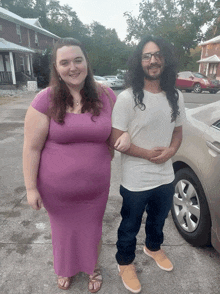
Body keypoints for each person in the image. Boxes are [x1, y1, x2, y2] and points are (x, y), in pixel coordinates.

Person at [23, 37, 130, 292]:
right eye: (65, 62)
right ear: (56, 68)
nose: (73, 67)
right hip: (56, 190)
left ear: (86, 62)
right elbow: (31, 147)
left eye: (78, 60)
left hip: (95, 190)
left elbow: (118, 130)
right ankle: (65, 269)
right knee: (62, 232)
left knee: (92, 231)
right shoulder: (45, 99)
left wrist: (125, 136)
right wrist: (30, 188)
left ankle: (92, 268)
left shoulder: (106, 94)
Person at [110, 35, 186, 293]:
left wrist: (172, 151)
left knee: (158, 220)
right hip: (135, 180)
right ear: (139, 62)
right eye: (146, 56)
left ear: (165, 60)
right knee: (130, 225)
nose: (153, 60)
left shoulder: (175, 95)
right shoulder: (127, 98)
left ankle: (153, 247)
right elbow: (114, 138)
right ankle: (125, 262)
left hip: (165, 176)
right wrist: (147, 154)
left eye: (157, 55)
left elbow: (178, 131)